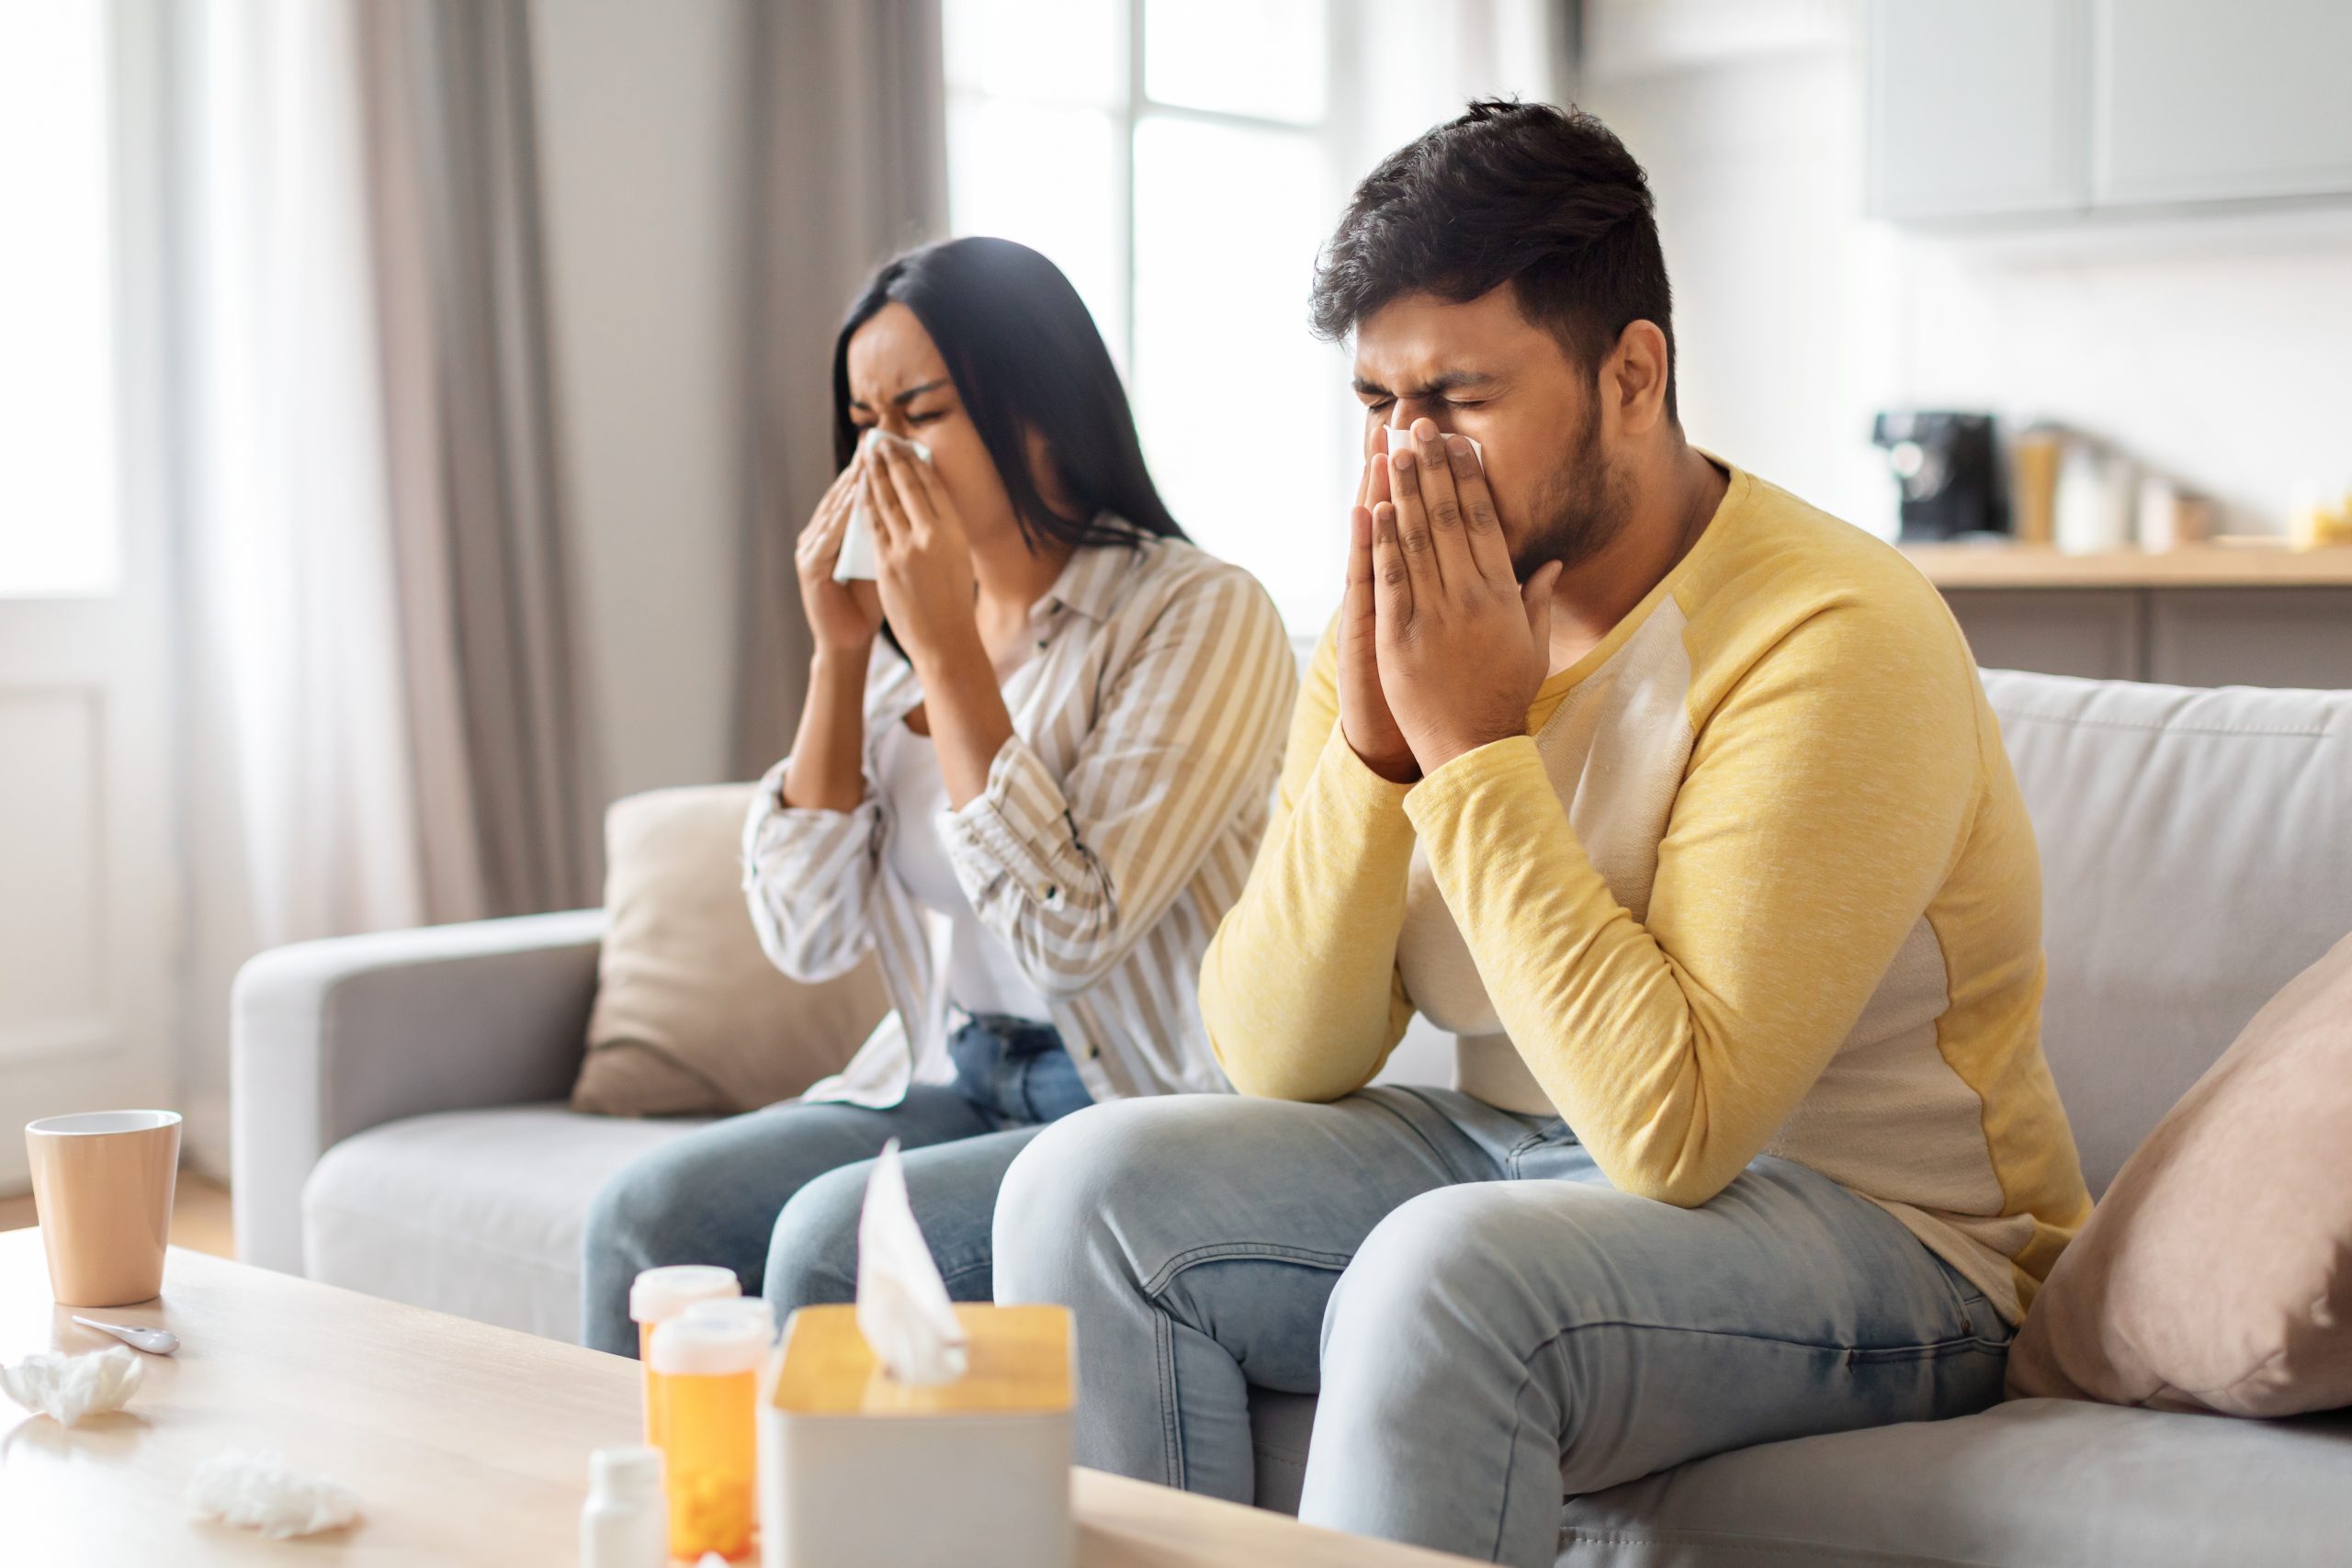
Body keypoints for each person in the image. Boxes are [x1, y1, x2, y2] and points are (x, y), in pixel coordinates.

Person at [990, 102, 2093, 1566]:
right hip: (1521, 1145)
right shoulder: (1404, 608)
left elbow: (1675, 1128)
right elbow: (1278, 1054)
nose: (1404, 462)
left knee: (1442, 1274)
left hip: (1896, 1238)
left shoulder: (1836, 632)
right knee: (1082, 1185)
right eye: (1377, 404)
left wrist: (1472, 746)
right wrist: (1379, 752)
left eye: (1455, 398)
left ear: (1631, 374)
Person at [580, 237, 1294, 1356]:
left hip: (1135, 1112)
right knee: (644, 1218)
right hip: (965, 1077)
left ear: (1043, 408)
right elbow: (807, 934)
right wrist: (841, 655)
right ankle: (687, 1527)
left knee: (830, 1243)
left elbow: (1075, 932)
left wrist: (950, 649)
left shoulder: (1198, 614)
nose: (882, 460)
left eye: (919, 412)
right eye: (863, 424)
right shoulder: (908, 639)